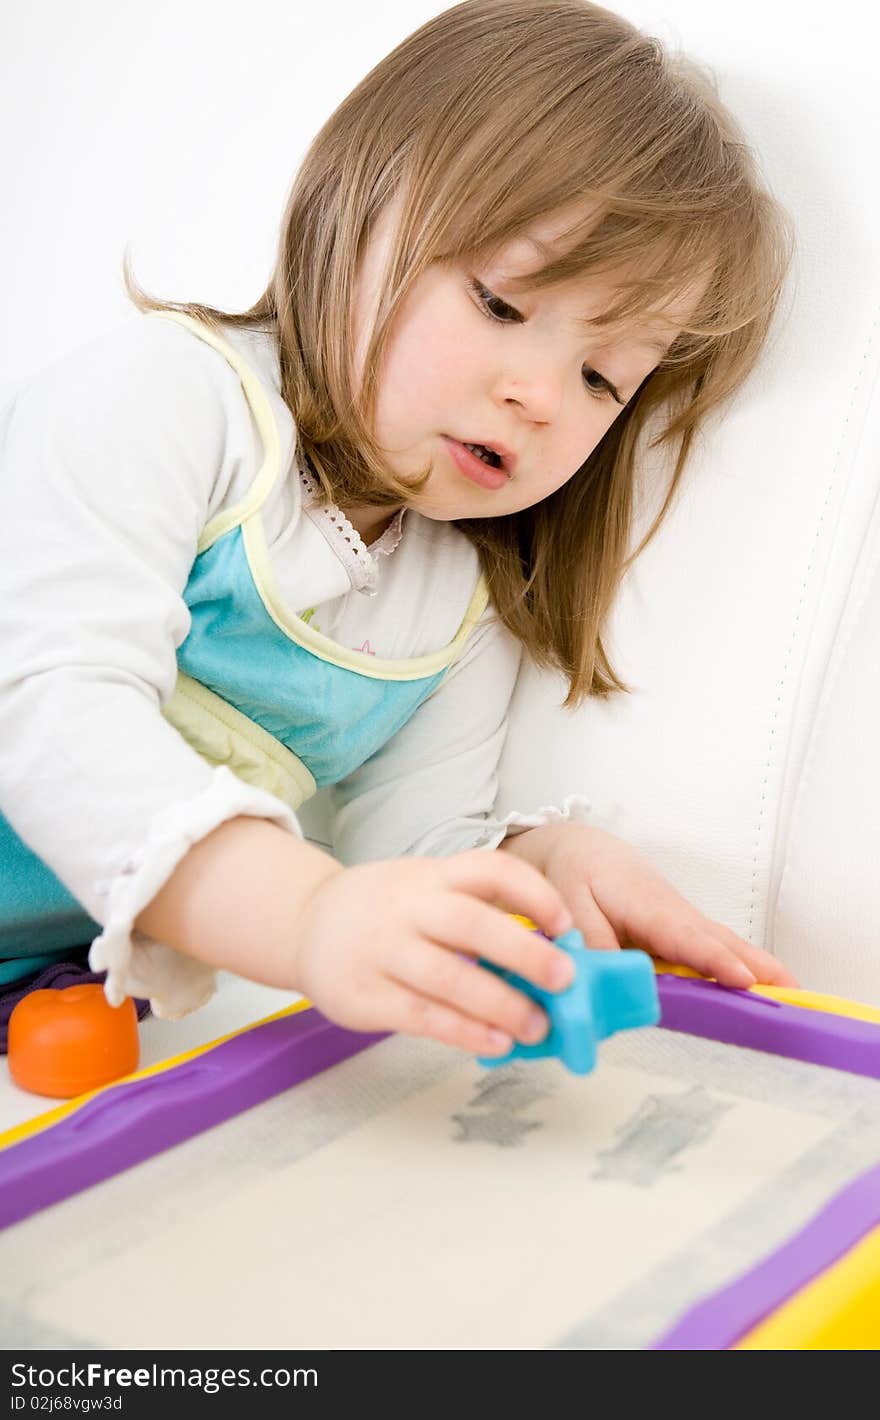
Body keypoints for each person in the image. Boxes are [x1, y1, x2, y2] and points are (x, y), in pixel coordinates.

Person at [0, 0, 797, 1064]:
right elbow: (47, 701)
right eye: (505, 305)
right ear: (356, 207)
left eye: (603, 377)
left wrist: (538, 870)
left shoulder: (454, 606)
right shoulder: (171, 400)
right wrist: (303, 919)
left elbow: (401, 860)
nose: (540, 395)